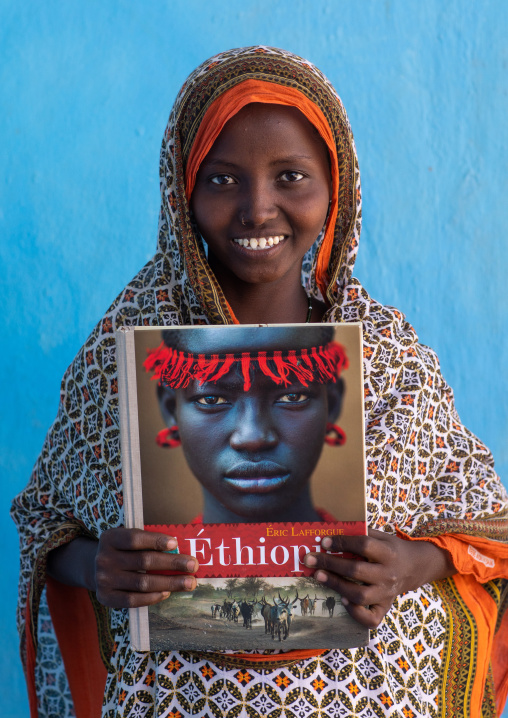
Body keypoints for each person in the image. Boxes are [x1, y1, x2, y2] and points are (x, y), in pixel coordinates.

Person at [11, 46, 508, 718]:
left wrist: (409, 566)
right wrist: (98, 565)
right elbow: (46, 520)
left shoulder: (389, 355)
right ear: (180, 187)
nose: (257, 208)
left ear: (338, 189)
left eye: (291, 177)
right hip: (175, 698)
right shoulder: (127, 346)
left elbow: (482, 526)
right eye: (221, 180)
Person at [145, 325, 347, 524]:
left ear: (332, 403)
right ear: (171, 408)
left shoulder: (368, 554)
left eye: (292, 397)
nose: (253, 438)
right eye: (211, 400)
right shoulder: (135, 556)